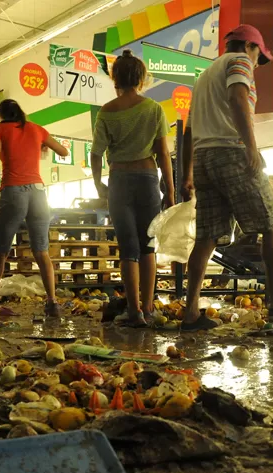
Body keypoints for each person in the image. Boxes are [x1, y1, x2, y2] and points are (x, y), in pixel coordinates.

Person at [178, 24, 273, 331]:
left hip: (205, 158)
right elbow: (237, 99)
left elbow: (189, 130)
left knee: (207, 237)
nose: (257, 66)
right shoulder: (240, 61)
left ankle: (190, 311)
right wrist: (252, 148)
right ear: (251, 47)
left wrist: (188, 173)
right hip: (231, 151)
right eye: (259, 58)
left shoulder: (205, 76)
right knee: (271, 224)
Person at [90, 50, 175, 327]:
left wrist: (98, 184)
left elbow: (96, 153)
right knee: (148, 247)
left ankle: (135, 311)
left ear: (115, 77)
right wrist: (170, 191)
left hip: (119, 182)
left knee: (128, 249)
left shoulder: (107, 112)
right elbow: (163, 153)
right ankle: (149, 307)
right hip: (148, 179)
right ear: (141, 78)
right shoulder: (154, 109)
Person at [0, 99, 69, 317]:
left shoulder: (0, 129)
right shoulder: (37, 129)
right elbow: (64, 152)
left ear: (1, 114)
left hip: (13, 193)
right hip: (38, 194)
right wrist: (42, 144)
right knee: (41, 251)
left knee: (1, 251)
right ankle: (52, 303)